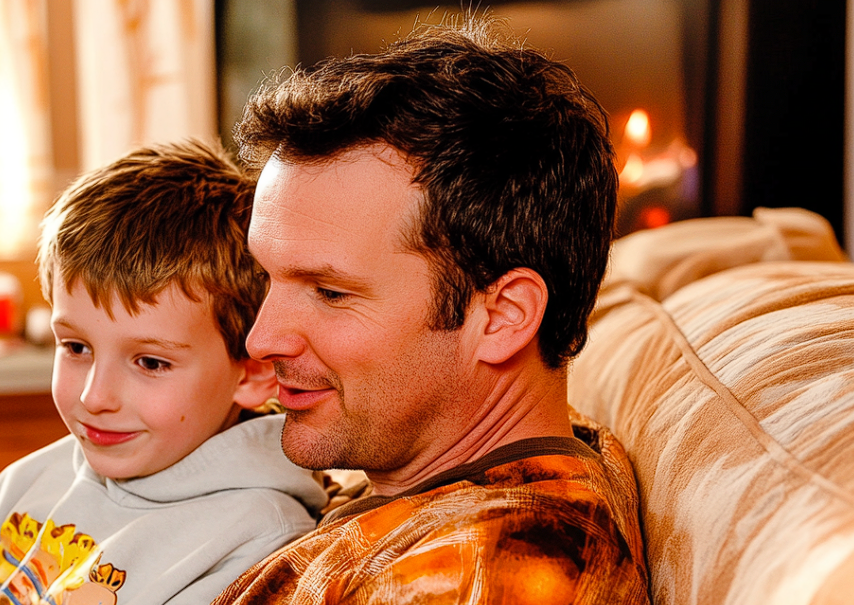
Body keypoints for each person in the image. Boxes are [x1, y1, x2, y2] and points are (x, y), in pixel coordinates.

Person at [213, 16, 650, 605]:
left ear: (503, 316)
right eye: (268, 276)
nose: (261, 339)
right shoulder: (415, 448)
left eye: (331, 293)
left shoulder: (500, 570)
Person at [0, 139, 327, 605]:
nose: (94, 396)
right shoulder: (26, 481)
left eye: (150, 362)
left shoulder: (258, 537)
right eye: (75, 347)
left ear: (251, 375)